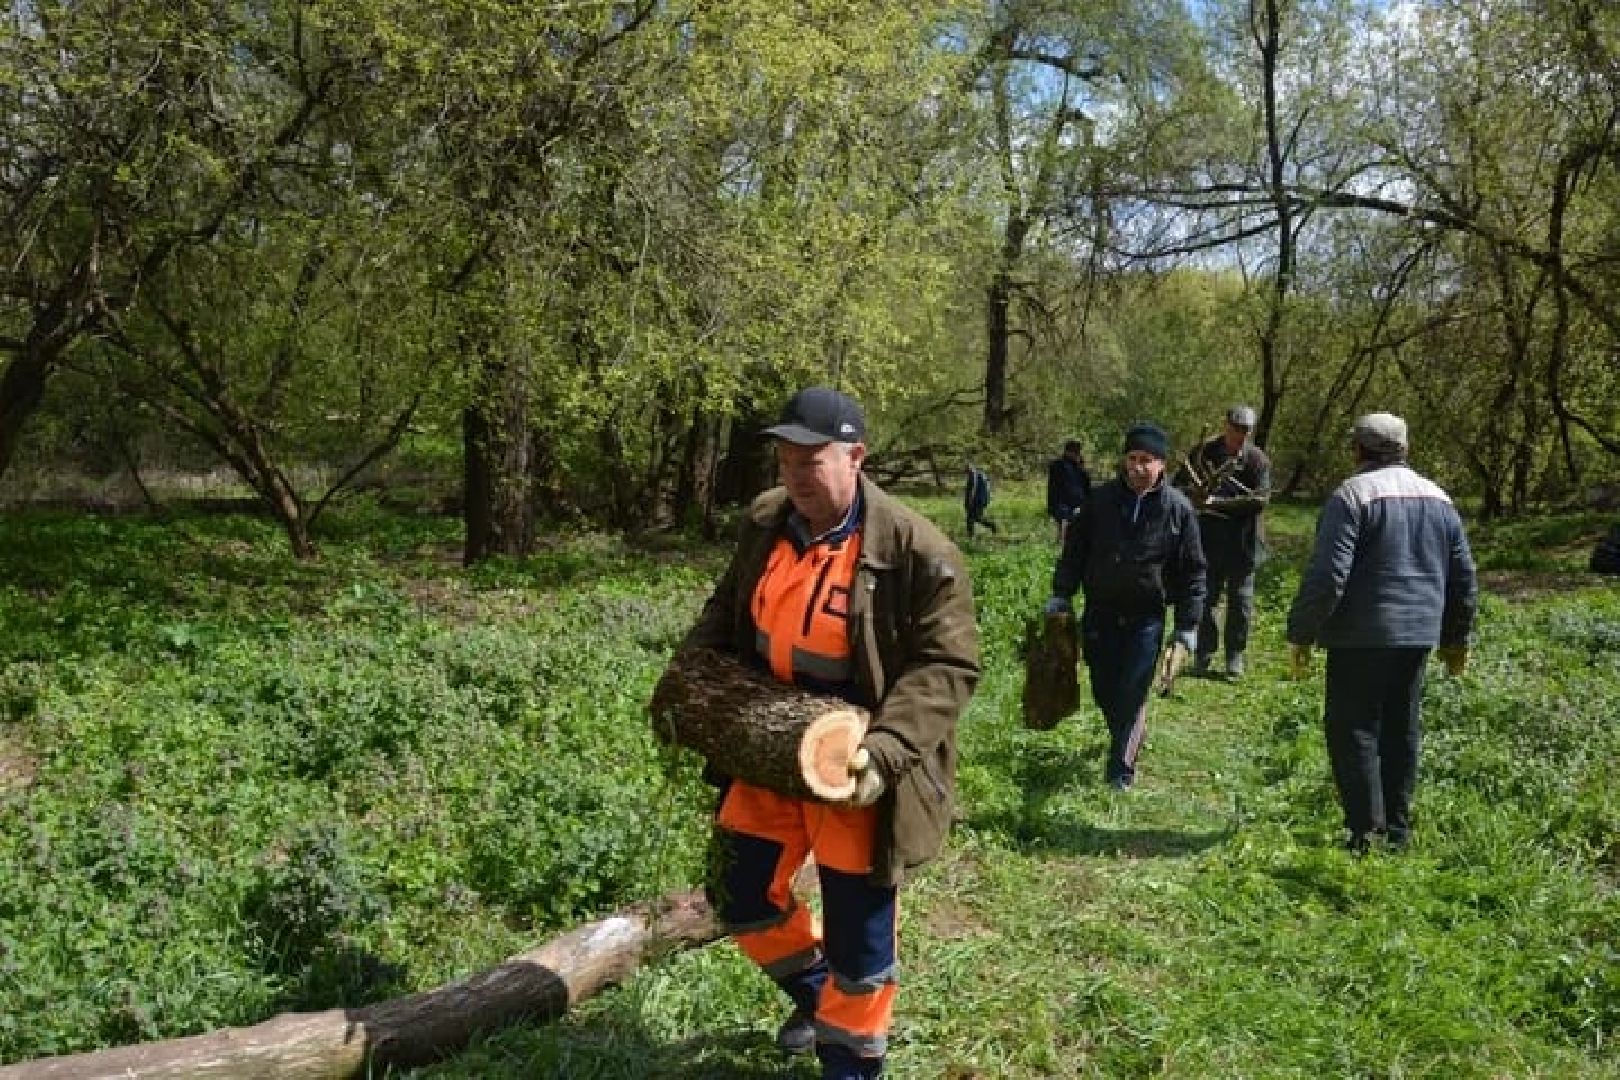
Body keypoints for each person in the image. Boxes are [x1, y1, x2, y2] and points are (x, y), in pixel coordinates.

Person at [675, 386, 981, 1079]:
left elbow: (949, 664)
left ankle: (851, 1066)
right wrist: (689, 681)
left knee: (860, 945)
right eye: (785, 459)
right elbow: (725, 610)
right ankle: (814, 997)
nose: (795, 474)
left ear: (857, 456)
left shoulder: (916, 550)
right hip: (770, 747)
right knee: (738, 897)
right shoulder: (767, 523)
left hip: (856, 771)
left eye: (812, 460)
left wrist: (885, 754)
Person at [1286, 412, 1477, 854]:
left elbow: (1330, 576)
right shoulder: (1440, 499)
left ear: (1358, 450)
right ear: (1404, 449)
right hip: (1418, 636)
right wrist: (1455, 638)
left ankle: (1364, 833)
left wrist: (1302, 632)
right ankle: (1398, 831)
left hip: (1361, 635)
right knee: (1400, 728)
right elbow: (1463, 577)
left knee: (1352, 728)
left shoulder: (1352, 495)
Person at [1044, 422, 1206, 790]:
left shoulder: (1178, 510)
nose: (1136, 467)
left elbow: (1194, 571)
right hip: (1100, 612)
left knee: (1132, 690)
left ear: (1161, 465)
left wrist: (1187, 627)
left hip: (1146, 617)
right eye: (1131, 458)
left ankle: (1120, 768)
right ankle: (1126, 733)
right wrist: (1061, 593)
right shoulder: (1099, 503)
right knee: (1104, 687)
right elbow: (1075, 552)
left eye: (1145, 460)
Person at [1183, 405, 1271, 678]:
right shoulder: (1203, 452)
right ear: (1226, 425)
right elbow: (1180, 485)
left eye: (1246, 431)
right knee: (1206, 598)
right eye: (1236, 429)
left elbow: (1260, 500)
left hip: (1242, 542)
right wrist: (1193, 497)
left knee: (1240, 602)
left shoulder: (1257, 460)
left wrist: (1218, 503)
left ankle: (1235, 655)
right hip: (1208, 539)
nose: (1240, 435)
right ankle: (1204, 654)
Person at [1046, 439, 1092, 541]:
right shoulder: (1058, 466)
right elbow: (1056, 488)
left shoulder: (1079, 468)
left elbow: (1086, 486)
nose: (1077, 455)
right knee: (1065, 523)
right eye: (1075, 452)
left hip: (1078, 503)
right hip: (1062, 504)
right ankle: (1062, 543)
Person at [963, 463, 998, 537]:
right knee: (974, 518)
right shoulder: (980, 474)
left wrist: (969, 502)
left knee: (974, 518)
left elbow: (972, 489)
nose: (966, 471)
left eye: (966, 469)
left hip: (977, 501)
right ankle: (971, 535)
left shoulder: (973, 475)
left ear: (970, 468)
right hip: (981, 500)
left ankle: (992, 526)